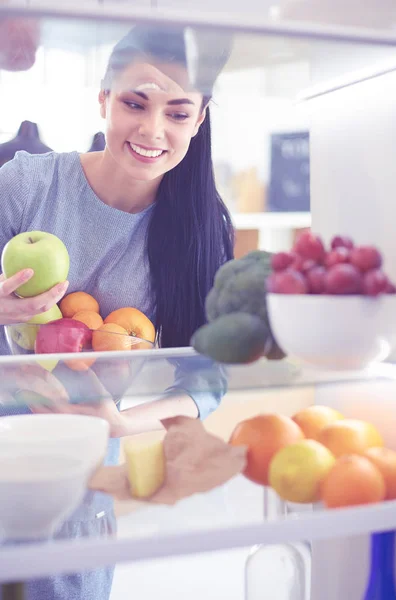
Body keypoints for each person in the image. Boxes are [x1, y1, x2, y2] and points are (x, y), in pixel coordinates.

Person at [0, 23, 234, 600]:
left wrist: (124, 425)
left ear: (200, 120)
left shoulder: (202, 227)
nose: (153, 131)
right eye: (135, 103)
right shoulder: (26, 185)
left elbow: (208, 374)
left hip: (85, 469)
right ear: (103, 98)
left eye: (178, 114)